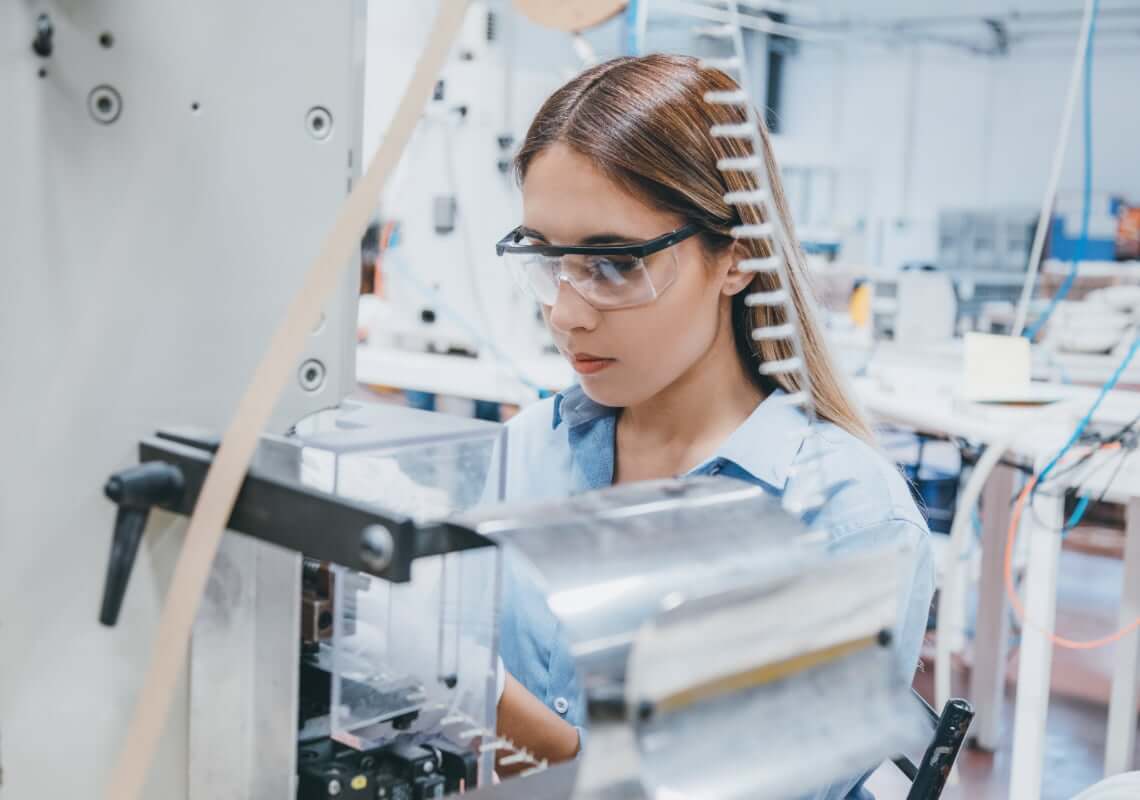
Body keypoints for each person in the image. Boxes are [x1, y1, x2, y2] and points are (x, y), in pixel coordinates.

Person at [490, 54, 933, 798]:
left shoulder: (846, 521)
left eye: (613, 264)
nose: (566, 313)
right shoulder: (532, 448)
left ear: (739, 255)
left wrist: (506, 718)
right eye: (546, 259)